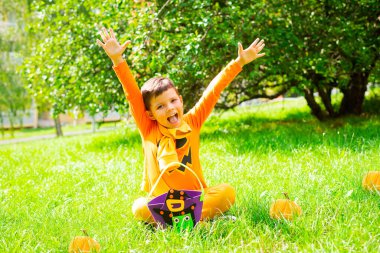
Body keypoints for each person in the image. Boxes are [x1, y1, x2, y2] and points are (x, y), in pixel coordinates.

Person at [97, 28, 265, 224]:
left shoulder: (192, 121)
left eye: (173, 101)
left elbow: (213, 91)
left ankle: (176, 222)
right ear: (150, 113)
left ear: (181, 100)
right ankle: (192, 219)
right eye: (160, 106)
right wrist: (118, 60)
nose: (169, 108)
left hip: (196, 198)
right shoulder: (148, 128)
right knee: (139, 207)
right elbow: (132, 95)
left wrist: (238, 63)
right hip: (164, 202)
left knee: (227, 192)